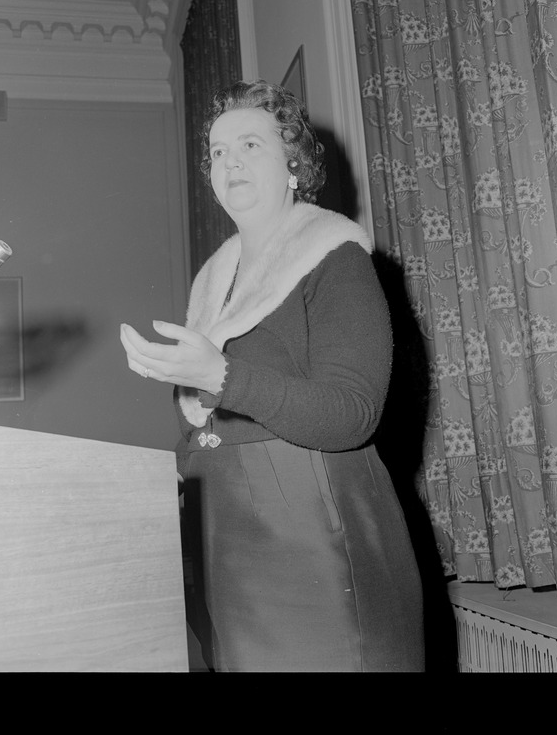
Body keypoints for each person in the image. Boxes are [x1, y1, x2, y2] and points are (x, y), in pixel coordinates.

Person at [120, 79, 424, 672]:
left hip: (312, 530)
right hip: (226, 532)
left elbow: (352, 413)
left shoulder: (336, 257)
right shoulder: (214, 279)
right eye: (217, 152)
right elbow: (218, 420)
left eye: (250, 145)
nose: (229, 161)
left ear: (294, 164)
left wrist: (220, 373)